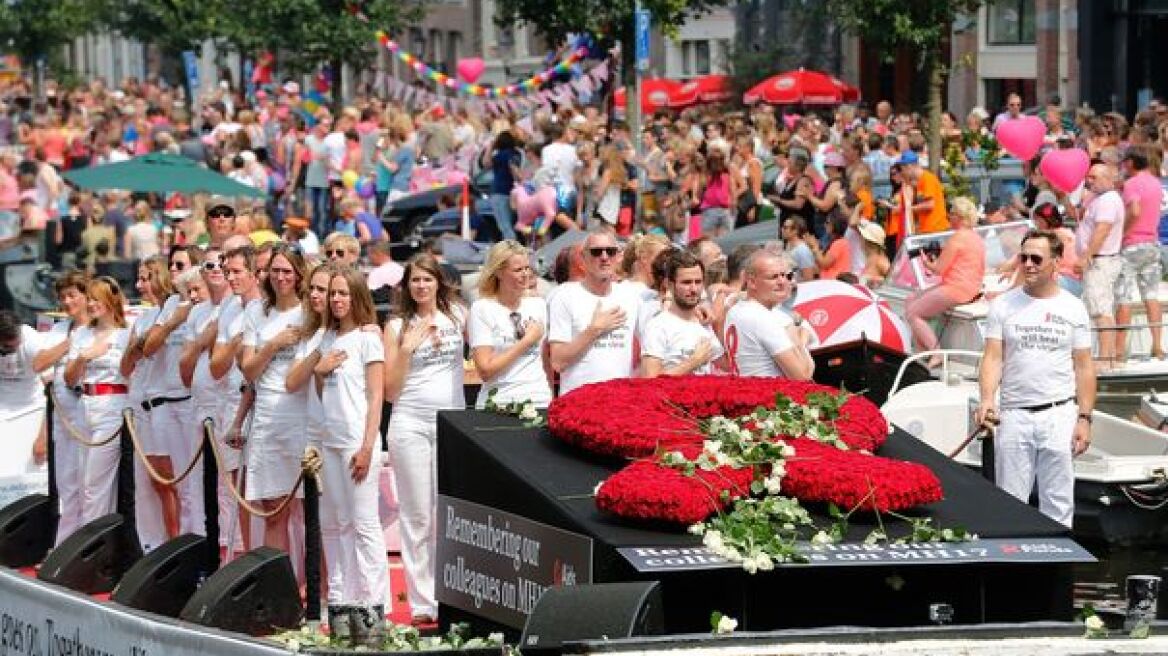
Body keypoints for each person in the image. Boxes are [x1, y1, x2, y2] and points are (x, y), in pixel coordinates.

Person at [976, 230, 1095, 528]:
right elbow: (993, 357)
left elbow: (1083, 366)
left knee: (1058, 502)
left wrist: (1084, 417)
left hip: (1059, 412)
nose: (1028, 264)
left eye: (1036, 258)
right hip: (1014, 413)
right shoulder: (1003, 305)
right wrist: (987, 399)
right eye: (1023, 257)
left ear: (1055, 263)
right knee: (1010, 501)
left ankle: (1057, 565)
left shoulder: (1073, 307)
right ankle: (1014, 564)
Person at [382, 254, 467, 625]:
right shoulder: (397, 325)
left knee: (445, 515)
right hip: (410, 423)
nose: (421, 286)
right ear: (406, 286)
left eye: (427, 280)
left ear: (439, 283)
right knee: (417, 516)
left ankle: (450, 592)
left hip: (449, 425)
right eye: (415, 280)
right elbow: (389, 390)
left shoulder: (458, 316)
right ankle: (421, 601)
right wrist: (406, 348)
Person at [313, 266, 389, 632]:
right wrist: (319, 371)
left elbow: (376, 396)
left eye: (343, 293)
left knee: (364, 524)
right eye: (333, 294)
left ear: (357, 296)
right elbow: (322, 393)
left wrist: (367, 445)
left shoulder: (367, 338)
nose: (337, 300)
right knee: (335, 524)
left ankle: (372, 604)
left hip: (358, 442)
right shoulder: (327, 338)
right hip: (330, 441)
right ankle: (341, 600)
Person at [239, 243, 309, 558]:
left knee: (310, 511)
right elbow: (248, 369)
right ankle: (278, 589)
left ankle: (318, 592)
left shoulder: (311, 310)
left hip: (304, 414)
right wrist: (273, 344)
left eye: (287, 271)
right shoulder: (257, 311)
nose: (281, 277)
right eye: (275, 270)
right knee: (273, 509)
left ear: (298, 274)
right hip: (267, 415)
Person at [63, 277, 130, 525]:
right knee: (82, 481)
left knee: (96, 482)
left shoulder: (126, 334)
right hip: (85, 404)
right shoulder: (82, 334)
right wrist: (84, 357)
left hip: (112, 405)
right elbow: (69, 378)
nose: (91, 304)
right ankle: (93, 537)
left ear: (109, 300)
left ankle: (95, 540)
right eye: (89, 299)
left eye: (95, 298)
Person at [31, 272, 90, 544]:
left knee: (89, 482)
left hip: (91, 411)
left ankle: (88, 542)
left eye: (72, 296)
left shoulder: (99, 327)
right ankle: (66, 542)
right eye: (63, 297)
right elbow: (39, 363)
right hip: (63, 412)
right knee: (66, 482)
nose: (67, 302)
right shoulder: (59, 330)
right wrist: (69, 342)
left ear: (85, 295)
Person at [548, 230, 641, 395]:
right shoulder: (565, 295)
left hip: (619, 403)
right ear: (583, 258)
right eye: (596, 252)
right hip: (577, 402)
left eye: (610, 251)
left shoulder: (631, 296)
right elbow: (558, 362)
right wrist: (594, 330)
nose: (604, 257)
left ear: (619, 256)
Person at [469, 240, 551, 408]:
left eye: (527, 268)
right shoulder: (482, 309)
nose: (525, 274)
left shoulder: (538, 304)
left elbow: (543, 359)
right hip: (499, 403)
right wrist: (526, 342)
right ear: (499, 272)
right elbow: (485, 371)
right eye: (518, 270)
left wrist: (551, 395)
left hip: (539, 400)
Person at [905, 197, 985, 366]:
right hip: (971, 288)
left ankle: (936, 352)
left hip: (956, 289)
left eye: (951, 215)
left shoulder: (957, 238)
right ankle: (922, 350)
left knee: (913, 312)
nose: (948, 218)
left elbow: (939, 269)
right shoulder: (975, 237)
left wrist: (926, 262)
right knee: (911, 299)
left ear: (959, 217)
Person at [723, 250, 815, 379]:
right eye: (773, 277)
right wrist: (800, 340)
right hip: (771, 395)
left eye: (784, 275)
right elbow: (803, 377)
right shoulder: (762, 317)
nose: (782, 282)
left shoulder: (735, 310)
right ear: (752, 282)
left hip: (749, 391)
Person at [642, 250, 726, 377]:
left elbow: (726, 364)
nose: (693, 289)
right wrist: (693, 362)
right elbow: (650, 380)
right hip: (672, 396)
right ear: (669, 285)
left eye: (698, 282)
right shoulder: (657, 326)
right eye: (686, 282)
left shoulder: (704, 321)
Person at [1075, 164, 1125, 369]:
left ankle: (1105, 359)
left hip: (1100, 261)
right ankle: (1108, 357)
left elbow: (1102, 230)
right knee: (1101, 309)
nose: (1089, 180)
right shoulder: (1101, 199)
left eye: (1094, 177)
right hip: (1102, 260)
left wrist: (1086, 256)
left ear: (1107, 178)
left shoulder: (1107, 201)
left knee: (1100, 311)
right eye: (1088, 177)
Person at [1116, 147, 1164, 360]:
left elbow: (1134, 210)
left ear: (1131, 163)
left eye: (1125, 161)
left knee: (1124, 297)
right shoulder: (1156, 183)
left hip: (1132, 243)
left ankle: (1119, 350)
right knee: (1151, 297)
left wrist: (1122, 232)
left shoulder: (1132, 184)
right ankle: (1157, 345)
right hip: (1152, 243)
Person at [899, 151, 948, 234]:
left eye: (903, 169)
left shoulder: (927, 179)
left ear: (909, 166)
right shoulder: (920, 181)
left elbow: (930, 205)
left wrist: (908, 209)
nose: (902, 172)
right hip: (928, 229)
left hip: (936, 229)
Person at [485, 130, 522, 241]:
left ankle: (510, 249)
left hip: (499, 192)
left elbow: (486, 163)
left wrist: (490, 147)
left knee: (505, 225)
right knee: (513, 223)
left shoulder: (500, 155)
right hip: (514, 192)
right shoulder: (516, 154)